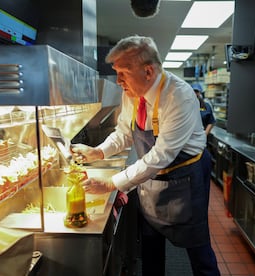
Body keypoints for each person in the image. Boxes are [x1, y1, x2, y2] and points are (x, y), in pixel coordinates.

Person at [71, 35, 220, 276]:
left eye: (123, 72)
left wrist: (112, 183)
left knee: (197, 247)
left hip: (185, 178)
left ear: (148, 72)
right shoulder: (131, 93)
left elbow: (163, 154)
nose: (118, 80)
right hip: (151, 177)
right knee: (151, 245)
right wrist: (99, 151)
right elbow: (124, 132)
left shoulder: (178, 95)